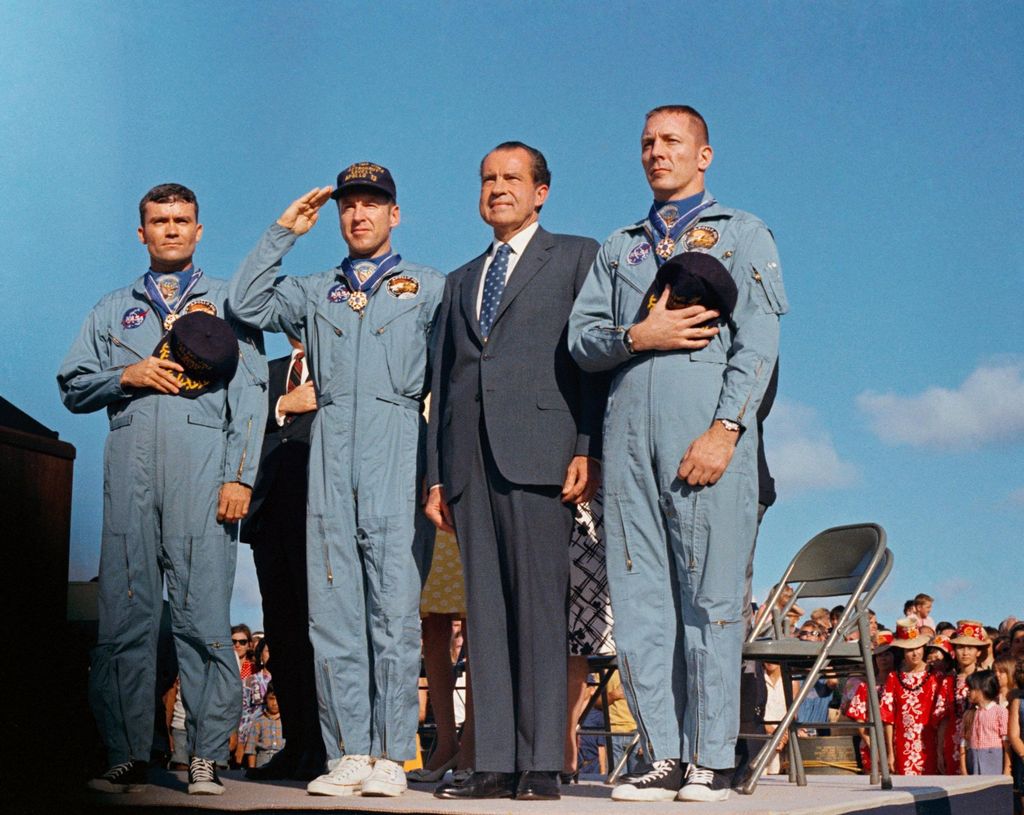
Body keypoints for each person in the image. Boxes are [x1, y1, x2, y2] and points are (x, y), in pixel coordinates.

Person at [569, 104, 787, 803]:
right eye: (646, 143)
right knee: (639, 604)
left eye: (671, 141)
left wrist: (726, 430)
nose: (656, 152)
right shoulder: (620, 247)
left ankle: (711, 756)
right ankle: (661, 751)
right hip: (627, 442)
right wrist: (640, 336)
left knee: (710, 598)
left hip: (705, 441)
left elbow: (759, 343)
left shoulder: (742, 232)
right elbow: (582, 339)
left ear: (704, 155)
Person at [229, 163, 443, 798]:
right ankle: (348, 752)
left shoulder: (429, 287)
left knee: (393, 611)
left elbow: (452, 383)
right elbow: (245, 302)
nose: (358, 214)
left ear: (394, 214)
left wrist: (438, 474)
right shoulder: (314, 290)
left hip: (397, 446)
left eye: (372, 203)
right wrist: (283, 231)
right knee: (333, 613)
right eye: (349, 204)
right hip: (329, 454)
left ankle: (391, 755)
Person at [58, 183, 268, 796]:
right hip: (130, 471)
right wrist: (127, 373)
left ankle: (205, 756)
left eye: (181, 220)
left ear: (198, 230)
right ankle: (125, 752)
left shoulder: (229, 302)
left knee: (203, 618)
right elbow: (72, 385)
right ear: (141, 232)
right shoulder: (111, 309)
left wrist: (240, 474)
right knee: (126, 617)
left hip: (203, 473)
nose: (171, 229)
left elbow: (252, 395)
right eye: (159, 220)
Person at [425, 141, 607, 802]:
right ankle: (493, 761)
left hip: (543, 457)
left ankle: (542, 763)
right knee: (485, 616)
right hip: (469, 464)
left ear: (541, 192)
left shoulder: (577, 257)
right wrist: (437, 476)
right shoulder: (459, 280)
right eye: (487, 179)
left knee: (539, 612)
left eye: (511, 178)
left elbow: (592, 362)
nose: (497, 188)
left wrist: (587, 445)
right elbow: (443, 383)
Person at [240, 338, 325, 781]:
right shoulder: (265, 373)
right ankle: (296, 744)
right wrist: (281, 405)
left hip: (321, 517)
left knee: (321, 635)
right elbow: (238, 422)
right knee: (282, 636)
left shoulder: (337, 364)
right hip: (269, 517)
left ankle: (326, 747)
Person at [880, 619, 950, 775]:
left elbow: (943, 717)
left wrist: (940, 750)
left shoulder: (937, 677)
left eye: (918, 647)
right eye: (909, 649)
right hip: (902, 745)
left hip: (931, 743)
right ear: (902, 652)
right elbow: (888, 718)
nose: (915, 653)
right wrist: (890, 752)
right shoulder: (893, 678)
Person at [960, 670, 1008, 775]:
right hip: (973, 759)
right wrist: (963, 769)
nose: (968, 692)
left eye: (971, 688)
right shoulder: (969, 714)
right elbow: (963, 742)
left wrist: (1007, 769)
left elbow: (1006, 742)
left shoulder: (1000, 712)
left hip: (994, 760)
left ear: (982, 689)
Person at [243, 684, 285, 769]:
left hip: (282, 762)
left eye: (278, 699)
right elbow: (251, 749)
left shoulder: (287, 721)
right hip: (262, 762)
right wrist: (252, 770)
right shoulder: (258, 721)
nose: (274, 703)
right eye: (271, 699)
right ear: (266, 699)